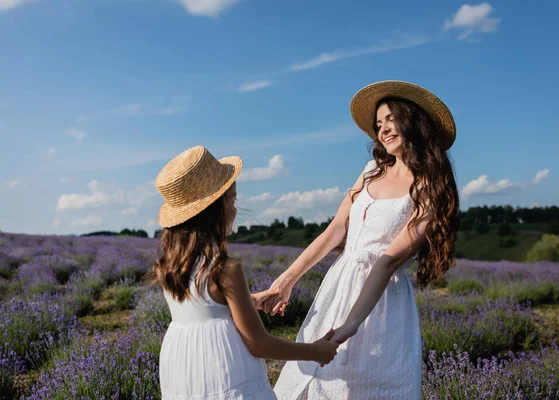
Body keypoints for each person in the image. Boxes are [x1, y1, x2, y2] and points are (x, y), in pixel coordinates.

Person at [260, 81, 460, 399]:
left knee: (363, 384)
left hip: (381, 303)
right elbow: (335, 230)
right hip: (337, 288)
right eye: (378, 124)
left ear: (414, 121)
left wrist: (353, 323)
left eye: (390, 119)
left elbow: (389, 260)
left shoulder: (430, 188)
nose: (383, 129)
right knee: (311, 381)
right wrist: (285, 281)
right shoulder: (371, 171)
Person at [148, 146, 340, 400]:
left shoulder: (170, 266)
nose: (236, 209)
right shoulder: (226, 269)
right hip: (224, 369)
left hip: (185, 368)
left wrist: (249, 301)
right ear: (215, 209)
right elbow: (259, 343)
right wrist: (315, 351)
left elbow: (204, 311)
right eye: (232, 200)